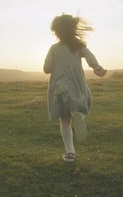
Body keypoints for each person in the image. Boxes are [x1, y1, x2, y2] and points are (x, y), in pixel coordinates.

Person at [43, 14, 107, 163]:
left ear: (57, 32)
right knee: (84, 105)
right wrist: (97, 68)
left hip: (59, 86)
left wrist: (55, 64)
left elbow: (46, 69)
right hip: (76, 84)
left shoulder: (54, 48)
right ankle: (80, 116)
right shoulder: (78, 46)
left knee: (64, 120)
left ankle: (70, 152)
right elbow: (90, 57)